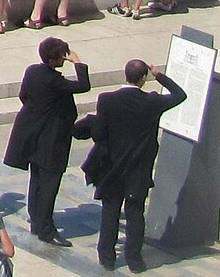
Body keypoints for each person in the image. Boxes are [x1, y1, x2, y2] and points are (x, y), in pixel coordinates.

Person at [76, 59, 185, 271]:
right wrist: (160, 75)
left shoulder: (106, 99)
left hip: (112, 167)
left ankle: (106, 257)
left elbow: (99, 134)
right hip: (138, 167)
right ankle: (134, 260)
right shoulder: (152, 102)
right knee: (135, 214)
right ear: (143, 78)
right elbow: (180, 95)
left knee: (110, 212)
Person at [4, 35, 89, 244]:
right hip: (51, 139)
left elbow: (23, 95)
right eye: (61, 56)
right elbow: (83, 86)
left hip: (33, 134)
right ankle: (46, 229)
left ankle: (36, 220)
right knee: (50, 183)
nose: (63, 58)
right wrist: (78, 63)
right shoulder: (54, 80)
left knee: (37, 179)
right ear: (52, 60)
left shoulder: (32, 71)